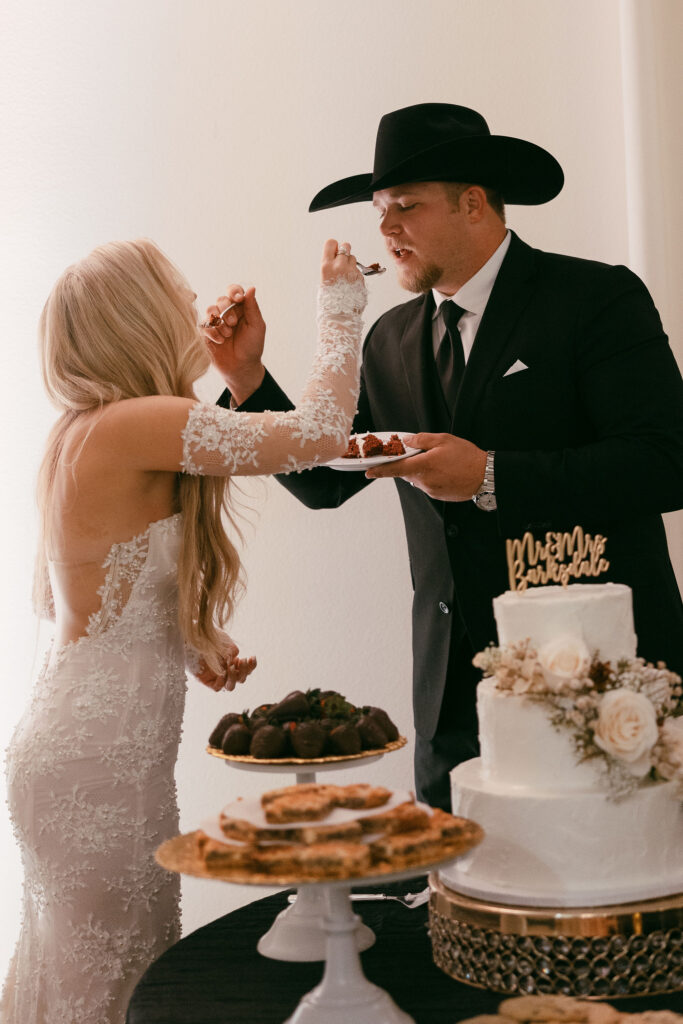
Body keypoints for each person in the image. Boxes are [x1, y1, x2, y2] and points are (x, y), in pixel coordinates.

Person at [203, 103, 683, 813]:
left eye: (405, 206)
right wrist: (247, 380)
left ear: (472, 203)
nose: (385, 228)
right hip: (451, 698)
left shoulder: (595, 298)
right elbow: (324, 482)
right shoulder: (390, 339)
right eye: (379, 211)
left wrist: (490, 475)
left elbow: (663, 461)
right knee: (460, 908)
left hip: (597, 682)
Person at [2, 237, 365, 1023]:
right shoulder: (135, 422)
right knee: (110, 986)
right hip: (95, 768)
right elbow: (323, 436)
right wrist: (340, 305)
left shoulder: (88, 431)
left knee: (108, 974)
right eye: (174, 296)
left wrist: (187, 641)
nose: (187, 309)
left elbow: (87, 599)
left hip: (86, 755)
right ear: (141, 321)